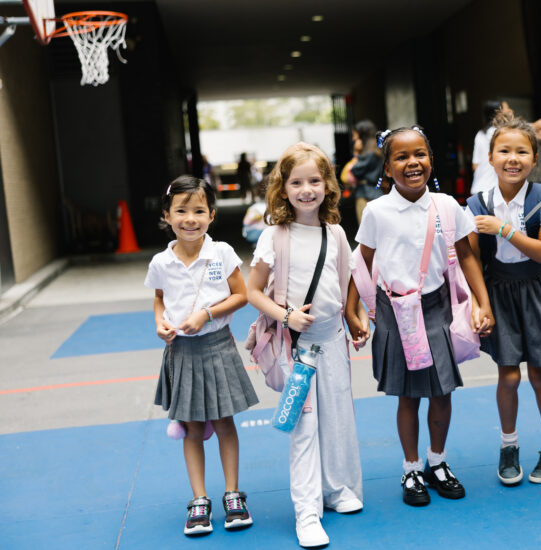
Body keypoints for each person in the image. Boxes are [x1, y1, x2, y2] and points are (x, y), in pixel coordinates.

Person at [345, 125, 494, 507]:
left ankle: (437, 462)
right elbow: (361, 262)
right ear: (388, 166)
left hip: (437, 307)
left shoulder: (447, 206)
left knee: (442, 391)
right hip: (397, 313)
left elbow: (466, 256)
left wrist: (483, 302)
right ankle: (411, 468)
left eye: (420, 155)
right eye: (402, 157)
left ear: (430, 159)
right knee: (409, 396)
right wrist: (352, 309)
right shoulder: (377, 211)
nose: (413, 163)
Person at [246, 143, 366, 548]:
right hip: (297, 348)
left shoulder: (335, 233)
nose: (307, 189)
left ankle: (336, 490)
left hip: (333, 343)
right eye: (297, 182)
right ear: (283, 189)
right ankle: (307, 512)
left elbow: (347, 281)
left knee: (337, 420)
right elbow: (253, 291)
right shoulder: (274, 236)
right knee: (304, 428)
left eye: (315, 180)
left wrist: (354, 318)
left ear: (327, 185)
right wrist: (286, 316)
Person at [465, 112, 541, 486]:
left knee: (540, 373)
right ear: (490, 157)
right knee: (508, 375)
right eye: (504, 151)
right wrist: (478, 303)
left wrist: (503, 228)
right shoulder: (476, 202)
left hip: (535, 290)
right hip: (497, 291)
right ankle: (508, 446)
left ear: (534, 158)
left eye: (521, 152)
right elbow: (471, 259)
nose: (512, 158)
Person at [144, 175, 259, 535]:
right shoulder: (161, 262)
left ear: (211, 215)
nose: (189, 218)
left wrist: (206, 314)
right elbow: (160, 298)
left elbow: (241, 296)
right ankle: (199, 500)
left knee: (224, 422)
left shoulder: (221, 253)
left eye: (198, 211)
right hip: (181, 352)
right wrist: (160, 322)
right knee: (192, 429)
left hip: (217, 346)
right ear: (167, 215)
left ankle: (232, 495)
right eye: (181, 211)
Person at [341, 119, 384, 224]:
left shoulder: (369, 154)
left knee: (367, 230)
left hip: (366, 195)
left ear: (361, 135)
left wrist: (356, 153)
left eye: (355, 134)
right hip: (376, 192)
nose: (353, 138)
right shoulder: (376, 150)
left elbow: (354, 171)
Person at [470, 101, 506, 195]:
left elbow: (475, 165)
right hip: (492, 189)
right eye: (503, 111)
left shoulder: (480, 134)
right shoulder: (498, 133)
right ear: (497, 114)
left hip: (477, 188)